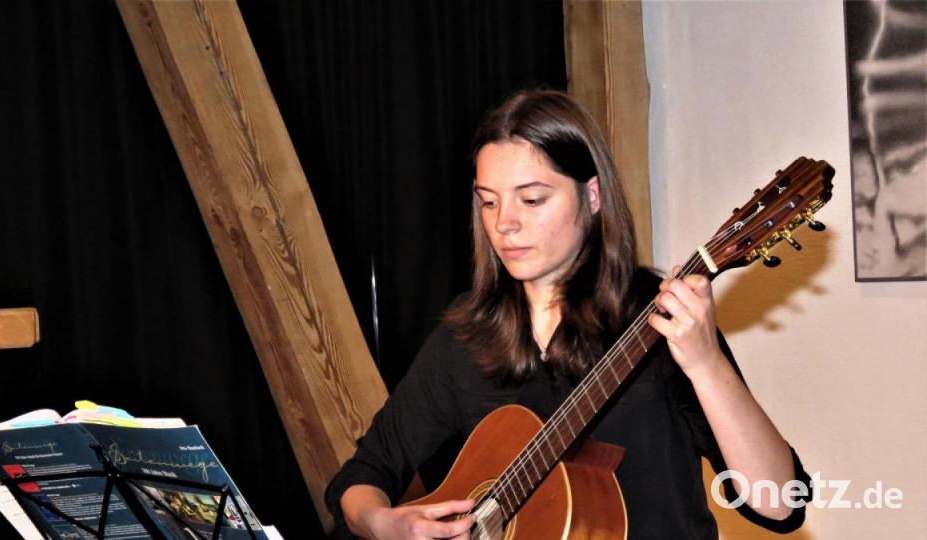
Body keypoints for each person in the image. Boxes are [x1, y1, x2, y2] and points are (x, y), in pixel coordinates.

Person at [325, 89, 810, 539]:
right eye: (488, 202)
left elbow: (780, 504)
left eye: (532, 199)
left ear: (592, 196)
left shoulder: (658, 319)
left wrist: (705, 364)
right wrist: (385, 524)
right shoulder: (468, 334)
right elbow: (362, 476)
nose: (504, 223)